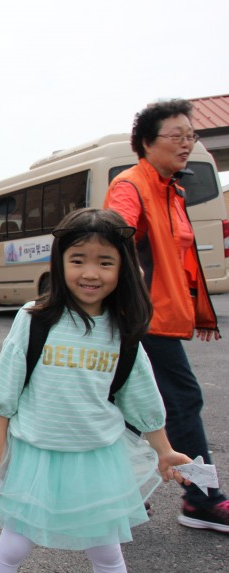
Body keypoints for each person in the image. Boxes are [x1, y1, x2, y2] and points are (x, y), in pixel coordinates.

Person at [0, 208, 191, 572]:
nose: (90, 273)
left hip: (98, 456)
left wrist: (164, 450)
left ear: (122, 268)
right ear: (59, 261)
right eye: (77, 260)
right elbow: (6, 384)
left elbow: (139, 393)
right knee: (13, 546)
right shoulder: (36, 318)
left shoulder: (121, 329)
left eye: (105, 262)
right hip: (37, 452)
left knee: (107, 552)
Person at [104, 98, 227, 533]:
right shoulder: (131, 184)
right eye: (176, 137)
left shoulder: (169, 187)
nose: (187, 144)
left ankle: (122, 495)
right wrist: (126, 259)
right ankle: (201, 498)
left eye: (190, 136)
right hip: (141, 320)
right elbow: (114, 231)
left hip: (155, 319)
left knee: (128, 410)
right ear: (145, 142)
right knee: (180, 402)